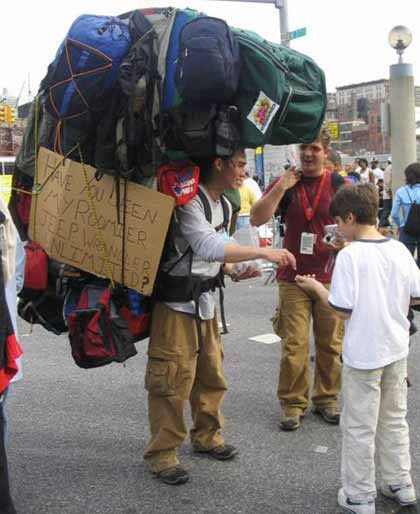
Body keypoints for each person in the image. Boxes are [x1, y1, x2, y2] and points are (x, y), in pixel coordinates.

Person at [143, 148, 296, 485]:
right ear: (219, 164)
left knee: (211, 373)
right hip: (176, 305)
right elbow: (206, 245)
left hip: (207, 302)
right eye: (239, 164)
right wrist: (263, 250)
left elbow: (218, 254)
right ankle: (163, 453)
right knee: (171, 379)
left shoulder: (226, 203)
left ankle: (207, 435)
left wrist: (234, 269)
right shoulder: (188, 200)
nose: (243, 171)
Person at [296, 183, 419, 514]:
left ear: (350, 217)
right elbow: (417, 295)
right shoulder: (398, 250)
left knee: (359, 425)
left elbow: (341, 308)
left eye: (339, 222)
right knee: (394, 418)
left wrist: (313, 287)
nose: (338, 229)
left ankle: (360, 494)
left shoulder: (349, 255)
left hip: (363, 354)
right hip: (396, 348)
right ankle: (401, 483)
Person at [250, 130, 344, 431]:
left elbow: (358, 223)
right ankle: (292, 403)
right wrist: (281, 188)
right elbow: (256, 218)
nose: (308, 154)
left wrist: (345, 244)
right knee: (294, 344)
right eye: (304, 147)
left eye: (315, 148)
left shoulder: (339, 184)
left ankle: (327, 398)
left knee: (330, 344)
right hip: (293, 277)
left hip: (331, 277)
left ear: (325, 152)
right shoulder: (286, 181)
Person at [391, 162, 420, 267]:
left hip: (407, 229)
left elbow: (394, 214)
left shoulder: (401, 191)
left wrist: (401, 224)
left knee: (406, 262)